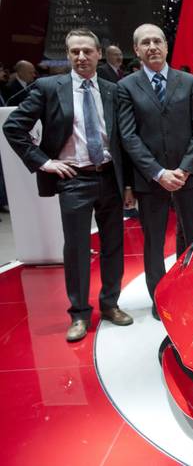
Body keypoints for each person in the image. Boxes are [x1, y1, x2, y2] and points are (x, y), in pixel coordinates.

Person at [3, 28, 134, 341]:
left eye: (87, 51)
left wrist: (128, 184)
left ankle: (110, 304)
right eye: (74, 51)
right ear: (67, 54)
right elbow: (14, 127)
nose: (81, 57)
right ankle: (79, 314)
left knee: (114, 245)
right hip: (74, 179)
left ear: (98, 54)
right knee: (76, 249)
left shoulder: (112, 89)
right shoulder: (49, 87)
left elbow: (123, 141)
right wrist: (45, 162)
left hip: (110, 176)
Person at [118, 23, 193, 319]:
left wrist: (183, 169)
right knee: (154, 243)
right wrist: (159, 173)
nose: (152, 47)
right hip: (150, 179)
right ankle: (161, 299)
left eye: (157, 41)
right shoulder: (127, 87)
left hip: (190, 175)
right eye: (145, 42)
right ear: (136, 50)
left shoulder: (188, 82)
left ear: (166, 46)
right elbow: (128, 136)